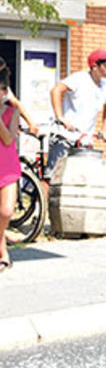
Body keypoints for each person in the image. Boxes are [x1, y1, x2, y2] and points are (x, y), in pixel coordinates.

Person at [46, 49, 106, 195]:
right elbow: (56, 91)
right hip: (64, 136)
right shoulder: (79, 79)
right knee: (52, 177)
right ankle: (41, 213)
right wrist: (60, 117)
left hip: (84, 141)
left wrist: (104, 129)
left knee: (78, 180)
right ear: (94, 67)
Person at [0, 67, 20, 273]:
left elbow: (7, 139)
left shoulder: (12, 112)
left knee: (6, 211)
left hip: (8, 169)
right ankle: (3, 250)